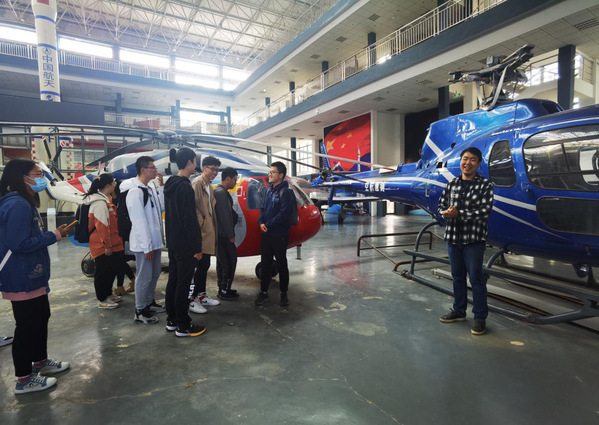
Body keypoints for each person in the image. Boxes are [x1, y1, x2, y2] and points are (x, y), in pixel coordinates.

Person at [0, 159, 71, 394]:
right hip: (21, 276)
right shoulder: (17, 205)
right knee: (27, 326)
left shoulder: (25, 203)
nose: (43, 179)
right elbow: (19, 243)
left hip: (33, 275)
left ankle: (40, 361)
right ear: (22, 177)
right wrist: (54, 235)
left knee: (41, 317)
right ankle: (23, 379)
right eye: (38, 174)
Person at [437, 147, 494, 335]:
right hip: (453, 239)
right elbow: (441, 206)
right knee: (457, 277)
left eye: (472, 160)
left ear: (478, 164)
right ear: (460, 161)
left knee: (476, 279)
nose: (467, 163)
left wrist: (458, 214)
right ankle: (459, 311)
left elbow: (484, 211)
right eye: (465, 159)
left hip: (473, 241)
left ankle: (480, 318)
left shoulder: (485, 185)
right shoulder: (452, 184)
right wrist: (445, 213)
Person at [164, 148, 206, 337]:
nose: (196, 164)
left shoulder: (170, 185)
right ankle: (183, 324)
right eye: (195, 161)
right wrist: (197, 246)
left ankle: (172, 319)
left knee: (174, 281)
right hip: (185, 244)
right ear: (189, 162)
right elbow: (189, 219)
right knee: (183, 284)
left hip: (174, 242)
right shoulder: (185, 187)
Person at [119, 156, 165, 325]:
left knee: (154, 274)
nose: (155, 171)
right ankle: (140, 310)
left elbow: (161, 208)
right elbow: (138, 222)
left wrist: (161, 186)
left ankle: (149, 302)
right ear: (143, 169)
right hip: (144, 244)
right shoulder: (135, 192)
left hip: (155, 241)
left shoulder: (149, 188)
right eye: (152, 168)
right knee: (144, 277)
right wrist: (147, 247)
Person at [256, 161, 295, 307]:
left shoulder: (285, 192)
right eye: (270, 172)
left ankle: (284, 293)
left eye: (273, 172)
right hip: (267, 234)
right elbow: (262, 208)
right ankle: (263, 292)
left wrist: (268, 224)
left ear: (281, 175)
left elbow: (284, 213)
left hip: (279, 234)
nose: (270, 174)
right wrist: (261, 222)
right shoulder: (268, 191)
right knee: (266, 263)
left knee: (281, 264)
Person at [84, 173, 125, 309]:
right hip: (102, 245)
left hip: (112, 243)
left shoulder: (106, 200)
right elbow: (102, 226)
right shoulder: (99, 203)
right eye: (113, 183)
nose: (115, 185)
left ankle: (108, 294)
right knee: (103, 272)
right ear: (108, 186)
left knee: (111, 270)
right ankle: (102, 299)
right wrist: (107, 245)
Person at [189, 156, 221, 313]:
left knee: (204, 265)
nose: (215, 172)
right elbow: (193, 209)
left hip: (208, 233)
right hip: (200, 233)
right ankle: (191, 299)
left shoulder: (209, 186)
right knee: (197, 267)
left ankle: (201, 295)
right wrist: (201, 224)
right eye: (212, 169)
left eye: (217, 170)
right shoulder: (197, 184)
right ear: (204, 168)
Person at [214, 167, 239, 300]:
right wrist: (231, 235)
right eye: (235, 180)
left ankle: (225, 288)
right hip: (223, 235)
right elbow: (224, 217)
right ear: (228, 179)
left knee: (227, 261)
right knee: (227, 262)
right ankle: (223, 290)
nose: (235, 182)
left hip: (224, 234)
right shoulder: (220, 193)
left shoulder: (223, 192)